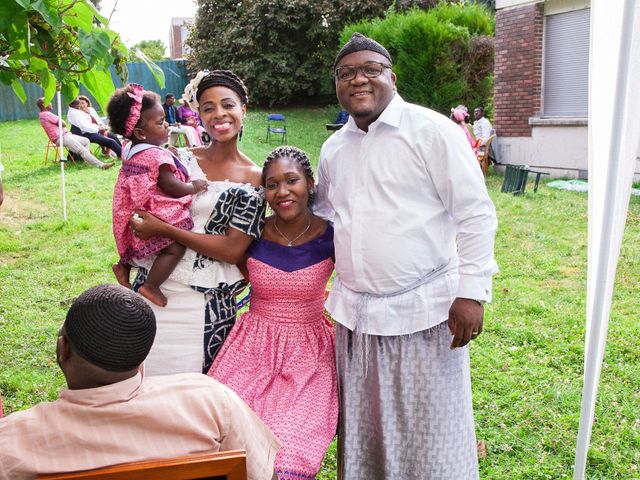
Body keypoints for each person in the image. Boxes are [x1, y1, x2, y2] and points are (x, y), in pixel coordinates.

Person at [315, 33, 498, 479]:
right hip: (356, 319)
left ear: (391, 78)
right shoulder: (333, 149)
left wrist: (471, 293)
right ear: (337, 85)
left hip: (427, 313)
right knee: (367, 434)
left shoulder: (432, 131)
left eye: (370, 70)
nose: (358, 79)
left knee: (430, 434)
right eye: (346, 73)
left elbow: (475, 214)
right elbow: (323, 220)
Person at [0, 284, 281, 480]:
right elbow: (265, 475)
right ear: (142, 358)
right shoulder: (211, 403)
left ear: (64, 350)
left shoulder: (12, 441)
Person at [209, 146, 338, 480]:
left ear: (310, 183)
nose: (281, 192)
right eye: (271, 184)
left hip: (309, 353)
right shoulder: (253, 232)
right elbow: (233, 260)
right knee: (227, 441)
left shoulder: (332, 235)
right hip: (252, 347)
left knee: (290, 450)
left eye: (291, 180)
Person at [127, 70, 265, 376]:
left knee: (195, 393)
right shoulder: (175, 159)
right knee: (145, 383)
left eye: (228, 105)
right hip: (153, 286)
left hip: (206, 300)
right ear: (198, 115)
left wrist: (164, 229)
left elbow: (232, 249)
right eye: (208, 107)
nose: (219, 114)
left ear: (244, 109)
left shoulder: (256, 177)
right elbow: (139, 204)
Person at [108, 84, 208, 307]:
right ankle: (152, 286)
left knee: (134, 242)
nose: (167, 126)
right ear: (141, 133)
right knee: (175, 247)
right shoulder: (155, 156)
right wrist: (194, 186)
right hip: (154, 209)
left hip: (132, 208)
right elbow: (172, 187)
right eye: (160, 122)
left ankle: (123, 265)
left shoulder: (130, 150)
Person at [37, 98, 115, 170]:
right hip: (61, 137)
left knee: (86, 140)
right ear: (44, 105)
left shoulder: (42, 115)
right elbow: (63, 123)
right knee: (82, 150)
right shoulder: (47, 114)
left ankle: (87, 161)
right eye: (49, 101)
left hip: (65, 136)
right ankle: (101, 165)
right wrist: (59, 119)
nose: (51, 103)